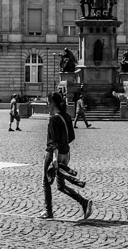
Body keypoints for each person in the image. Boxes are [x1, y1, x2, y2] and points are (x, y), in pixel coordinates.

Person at [39, 91, 93, 221]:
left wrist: (55, 158)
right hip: (66, 153)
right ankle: (83, 202)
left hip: (54, 155)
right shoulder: (67, 116)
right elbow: (71, 137)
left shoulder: (53, 119)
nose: (47, 105)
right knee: (61, 186)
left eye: (48, 102)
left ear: (52, 103)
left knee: (46, 182)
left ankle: (48, 211)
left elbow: (53, 142)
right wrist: (63, 149)